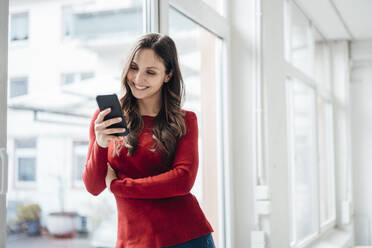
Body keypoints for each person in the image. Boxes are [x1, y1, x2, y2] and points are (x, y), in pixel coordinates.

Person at [83, 33, 215, 248]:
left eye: (150, 72)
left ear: (168, 75)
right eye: (134, 68)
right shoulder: (105, 117)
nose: (138, 79)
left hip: (185, 237)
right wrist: (100, 144)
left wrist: (119, 186)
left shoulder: (185, 120)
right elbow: (94, 186)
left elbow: (182, 180)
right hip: (132, 240)